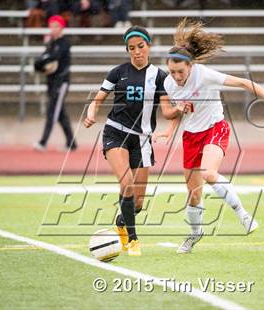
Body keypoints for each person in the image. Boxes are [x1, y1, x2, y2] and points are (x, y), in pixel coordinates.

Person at [158, 19, 264, 254]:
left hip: (214, 128)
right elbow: (173, 111)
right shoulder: (169, 83)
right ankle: (195, 233)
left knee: (209, 173)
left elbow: (242, 82)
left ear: (190, 66)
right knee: (194, 196)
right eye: (172, 71)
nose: (177, 76)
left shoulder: (205, 74)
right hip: (190, 137)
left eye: (181, 71)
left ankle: (243, 215)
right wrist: (172, 124)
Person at [83, 26, 186, 256]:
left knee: (137, 203)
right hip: (115, 132)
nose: (136, 51)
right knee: (126, 182)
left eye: (141, 46)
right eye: (131, 48)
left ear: (148, 46)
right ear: (127, 50)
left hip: (142, 139)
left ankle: (122, 221)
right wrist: (91, 114)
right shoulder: (117, 73)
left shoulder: (160, 77)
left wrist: (179, 108)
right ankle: (133, 239)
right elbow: (97, 100)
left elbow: (167, 112)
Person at [34, 15, 77, 152]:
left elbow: (53, 58)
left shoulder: (64, 43)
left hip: (61, 83)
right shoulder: (51, 44)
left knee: (52, 112)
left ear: (61, 27)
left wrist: (42, 62)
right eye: (51, 26)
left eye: (56, 26)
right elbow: (40, 62)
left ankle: (43, 142)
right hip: (51, 82)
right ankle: (72, 143)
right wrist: (40, 64)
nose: (53, 29)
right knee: (60, 114)